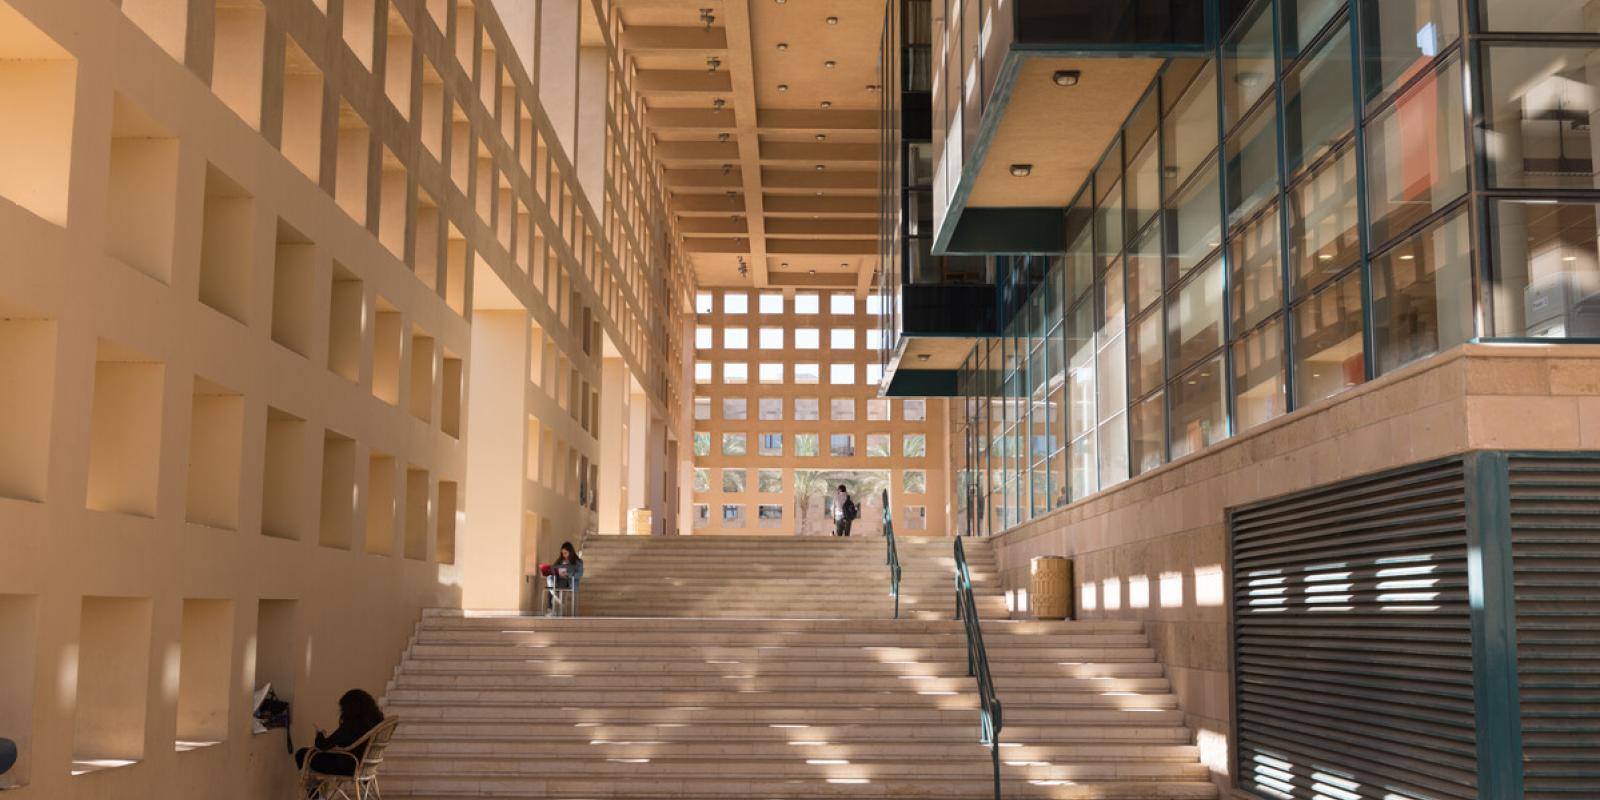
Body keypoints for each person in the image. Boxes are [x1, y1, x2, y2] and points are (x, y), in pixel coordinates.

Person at [287, 689, 385, 778]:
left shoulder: (351, 724)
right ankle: (319, 794)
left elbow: (323, 746)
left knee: (302, 754)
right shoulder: (376, 722)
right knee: (317, 756)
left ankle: (316, 796)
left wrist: (320, 735)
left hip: (346, 767)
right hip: (365, 767)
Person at [546, 541, 584, 615]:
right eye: (562, 553)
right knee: (550, 578)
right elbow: (553, 568)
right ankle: (551, 607)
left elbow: (580, 574)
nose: (564, 555)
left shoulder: (578, 562)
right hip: (559, 579)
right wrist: (559, 568)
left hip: (569, 581)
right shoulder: (560, 560)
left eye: (565, 553)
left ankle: (551, 607)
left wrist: (569, 574)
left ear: (571, 552)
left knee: (552, 587)